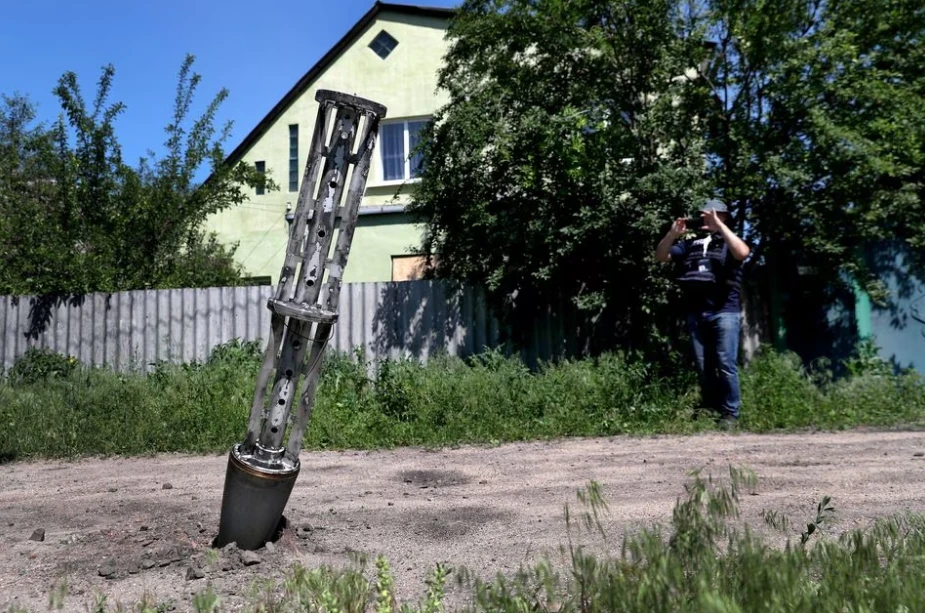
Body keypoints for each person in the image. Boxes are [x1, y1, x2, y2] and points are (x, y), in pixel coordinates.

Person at [654, 198, 752, 429]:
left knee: (725, 363)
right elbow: (660, 256)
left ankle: (731, 414)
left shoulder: (728, 242)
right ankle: (711, 409)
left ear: (723, 216)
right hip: (697, 313)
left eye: (712, 214)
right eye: (704, 215)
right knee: (703, 365)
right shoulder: (691, 244)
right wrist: (672, 235)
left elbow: (743, 252)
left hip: (724, 312)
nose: (706, 218)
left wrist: (721, 227)